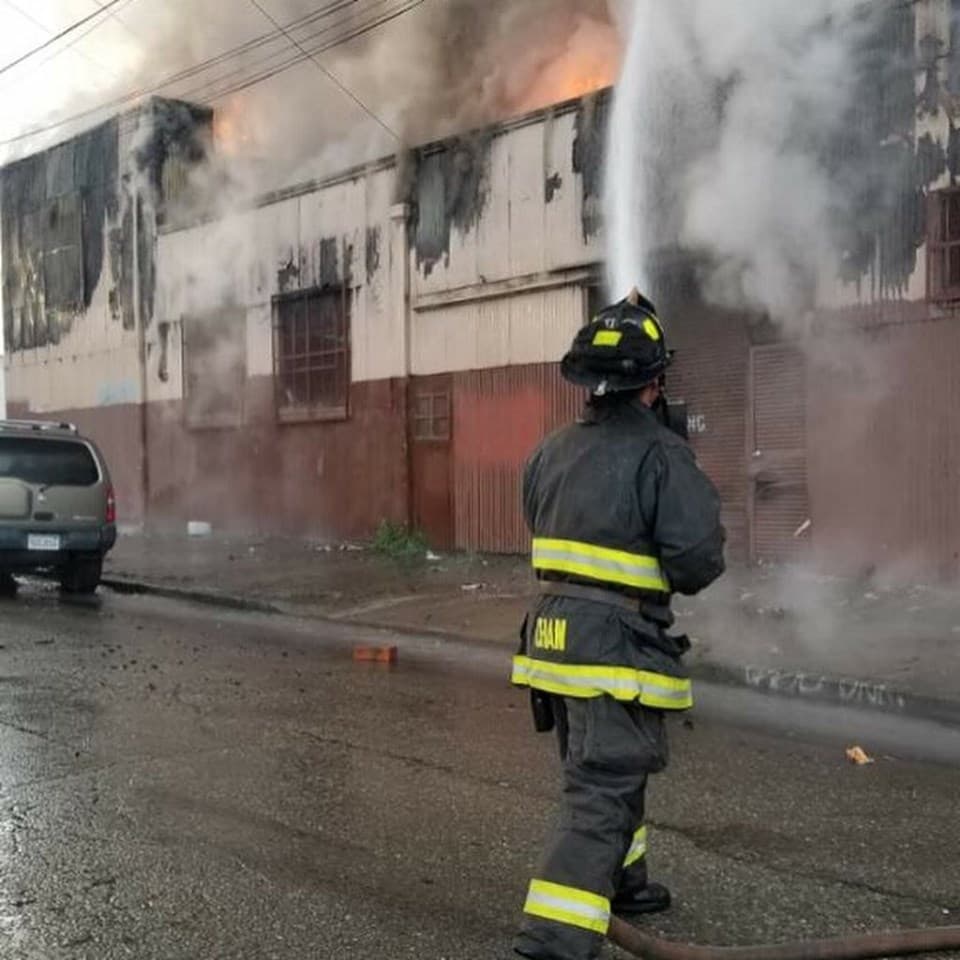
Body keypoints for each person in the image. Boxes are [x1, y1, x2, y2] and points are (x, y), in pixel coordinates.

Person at [510, 289, 726, 960]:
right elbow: (696, 562)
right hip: (614, 648)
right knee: (600, 792)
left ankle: (623, 884)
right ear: (654, 382)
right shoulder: (662, 456)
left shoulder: (548, 452)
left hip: (551, 644)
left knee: (608, 767)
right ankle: (551, 941)